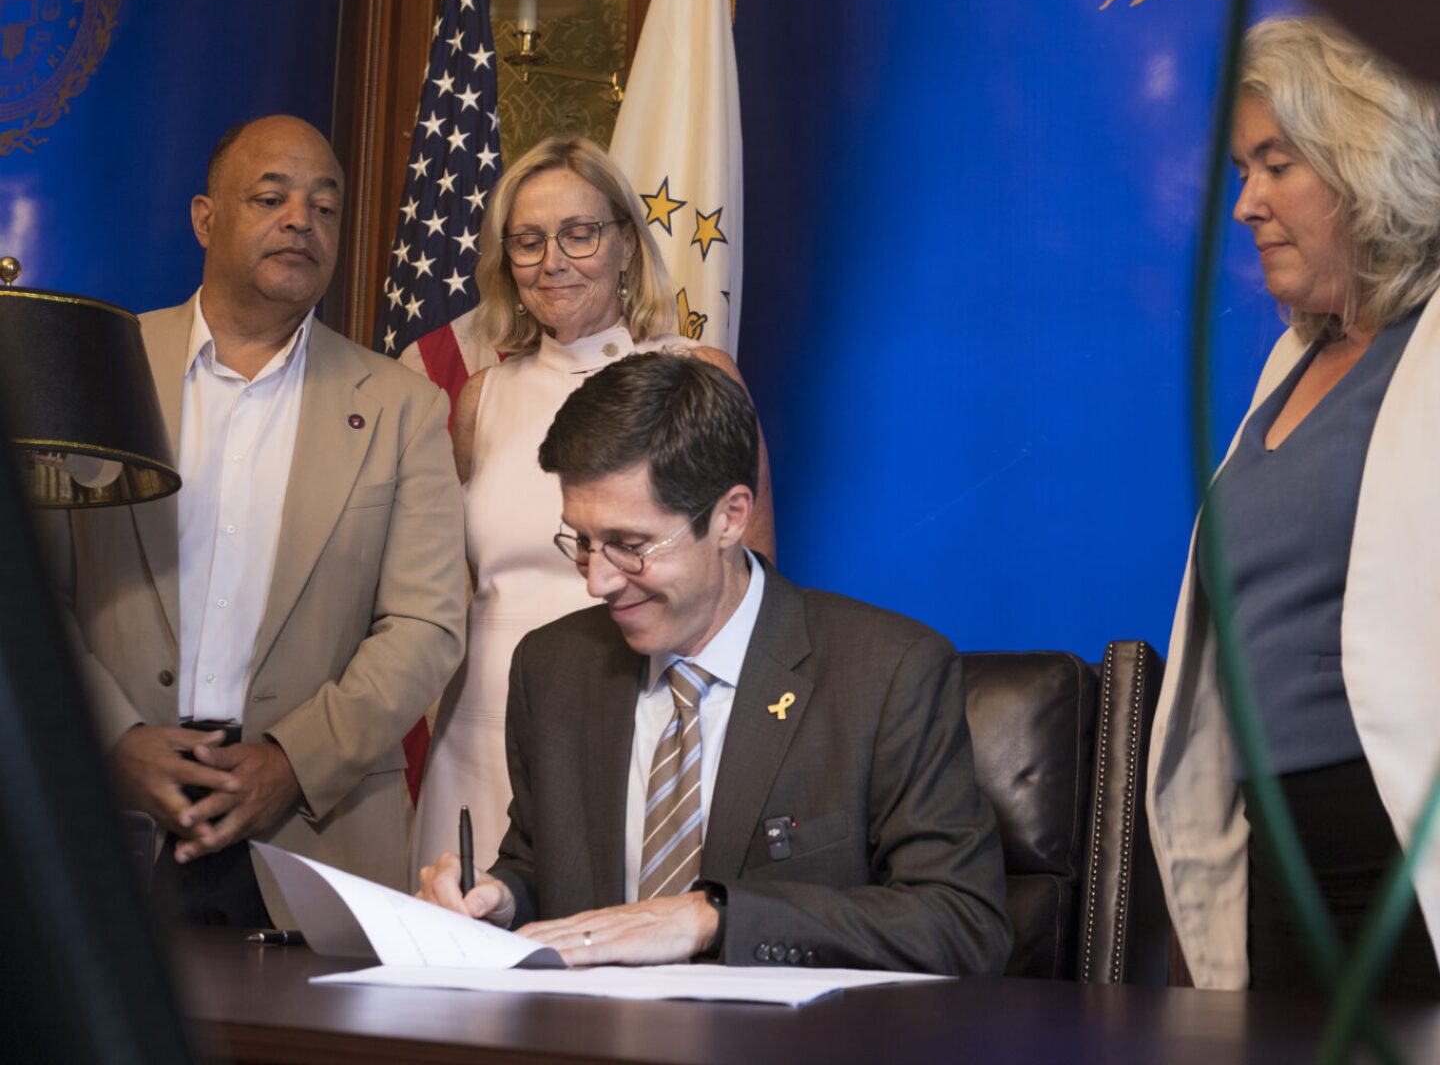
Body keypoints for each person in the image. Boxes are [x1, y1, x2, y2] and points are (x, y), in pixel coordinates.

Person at [417, 351, 1010, 974]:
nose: (597, 581)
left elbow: (963, 925)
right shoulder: (554, 667)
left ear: (730, 517)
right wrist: (501, 900)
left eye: (630, 546)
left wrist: (710, 919)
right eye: (583, 542)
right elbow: (545, 866)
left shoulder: (886, 675)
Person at [52, 115, 467, 927]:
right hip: (103, 824)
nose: (300, 222)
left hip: (317, 836)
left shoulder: (403, 408)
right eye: (271, 197)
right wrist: (111, 739)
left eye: (324, 207)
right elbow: (26, 593)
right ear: (206, 218)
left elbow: (427, 625)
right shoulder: (97, 368)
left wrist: (292, 761)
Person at [1148, 17, 1440, 994]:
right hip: (1277, 868)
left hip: (1399, 868)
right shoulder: (1293, 360)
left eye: (1277, 165)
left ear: (1371, 165)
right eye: (1241, 170)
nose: (1246, 206)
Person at [410, 137, 775, 881]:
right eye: (529, 240)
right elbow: (457, 586)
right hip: (478, 729)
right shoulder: (482, 398)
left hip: (636, 717)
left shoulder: (696, 374)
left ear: (625, 245)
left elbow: (753, 573)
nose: (554, 261)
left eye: (579, 233)